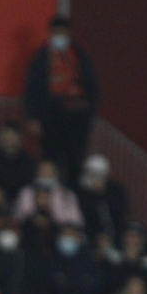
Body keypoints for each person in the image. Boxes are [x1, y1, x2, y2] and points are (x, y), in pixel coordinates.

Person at [23, 14, 99, 178]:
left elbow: (92, 85)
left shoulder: (80, 56)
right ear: (51, 34)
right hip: (51, 117)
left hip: (77, 118)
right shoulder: (41, 58)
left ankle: (71, 198)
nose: (60, 37)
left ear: (69, 34)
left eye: (63, 33)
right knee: (50, 159)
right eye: (57, 33)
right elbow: (32, 89)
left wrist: (90, 113)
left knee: (75, 161)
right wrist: (33, 117)